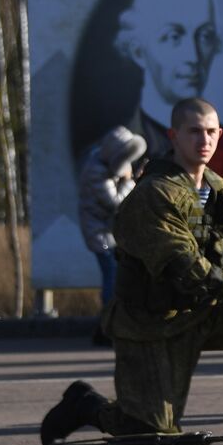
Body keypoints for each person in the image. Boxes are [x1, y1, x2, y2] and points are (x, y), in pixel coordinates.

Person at [40, 98, 223, 445]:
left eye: (211, 132)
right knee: (146, 430)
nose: (204, 141)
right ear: (174, 136)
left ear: (220, 135)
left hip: (202, 311)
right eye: (194, 132)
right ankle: (85, 405)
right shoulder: (154, 195)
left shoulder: (215, 186)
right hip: (152, 323)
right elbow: (190, 273)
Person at [73, 0, 223, 222]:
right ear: (138, 49)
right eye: (173, 36)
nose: (192, 55)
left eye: (204, 35)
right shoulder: (102, 156)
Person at [77, 126, 147, 345]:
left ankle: (111, 325)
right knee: (112, 278)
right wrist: (129, 182)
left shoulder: (103, 162)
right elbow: (116, 203)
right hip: (101, 235)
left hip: (109, 233)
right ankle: (108, 326)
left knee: (117, 278)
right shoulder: (96, 170)